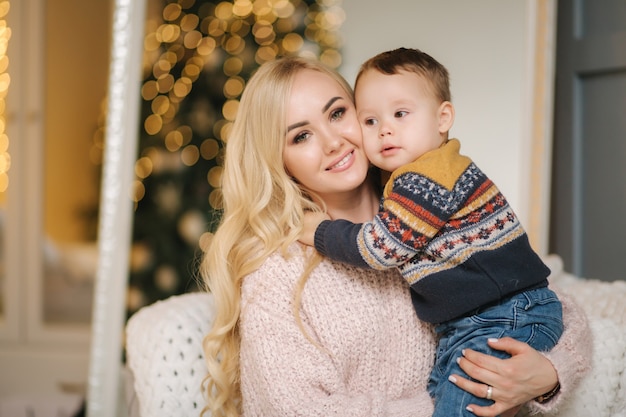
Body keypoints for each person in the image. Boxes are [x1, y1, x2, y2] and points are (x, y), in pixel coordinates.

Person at [200, 55, 591, 417]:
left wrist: (549, 374)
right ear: (278, 162)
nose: (333, 141)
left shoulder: (430, 205)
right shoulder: (278, 273)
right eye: (300, 136)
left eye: (337, 113)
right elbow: (299, 411)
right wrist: (452, 400)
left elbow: (544, 303)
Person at [298, 47, 566, 416]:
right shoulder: (417, 176)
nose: (385, 129)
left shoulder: (426, 179)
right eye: (370, 121)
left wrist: (320, 232)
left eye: (400, 114)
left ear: (443, 118)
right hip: (476, 322)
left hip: (502, 316)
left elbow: (379, 250)